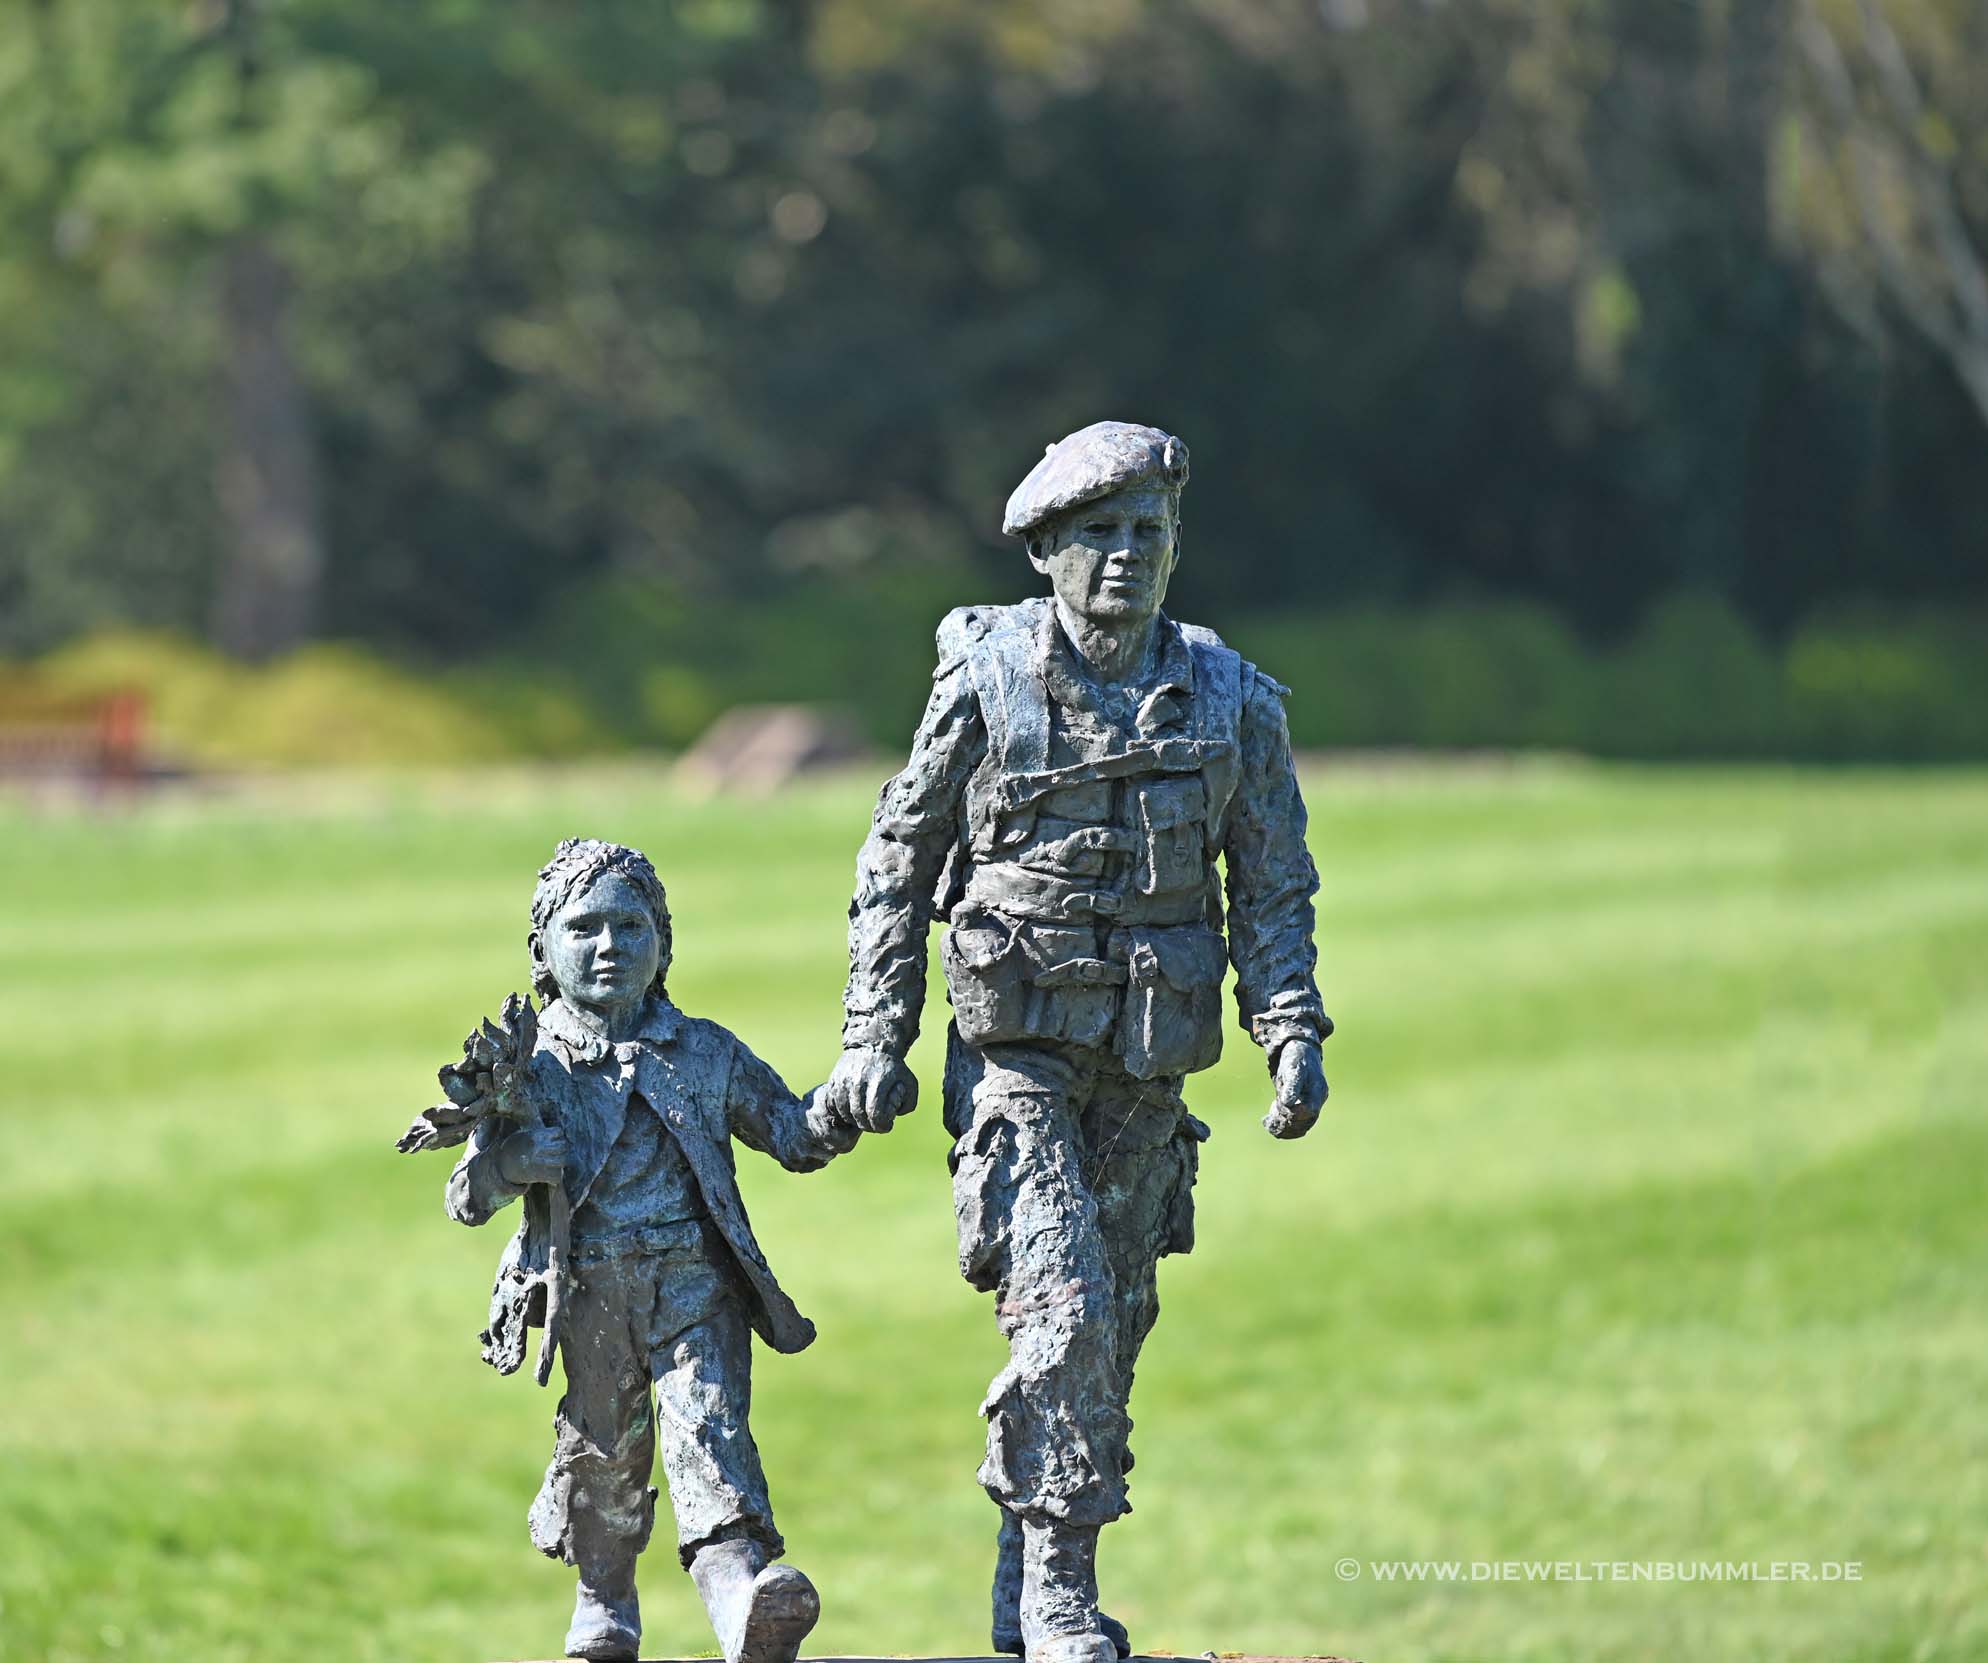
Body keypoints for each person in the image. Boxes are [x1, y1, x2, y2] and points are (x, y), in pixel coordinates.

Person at [821, 422, 1333, 1663]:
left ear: (1174, 549)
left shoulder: (1232, 700)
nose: (1122, 557)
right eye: (1096, 534)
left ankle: (1021, 1577)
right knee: (1063, 1312)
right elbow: (899, 858)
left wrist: (1290, 1027)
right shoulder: (984, 683)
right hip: (1017, 1061)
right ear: (1046, 548)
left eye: (1145, 534)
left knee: (1115, 1330)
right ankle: (1056, 1596)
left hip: (1148, 1064)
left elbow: (1269, 884)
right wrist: (872, 1035)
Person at [439, 838, 861, 1663]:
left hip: (695, 1286)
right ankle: (605, 1600)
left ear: (664, 943)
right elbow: (464, 1195)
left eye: (632, 927)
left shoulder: (704, 1051)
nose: (609, 946)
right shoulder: (532, 1067)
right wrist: (509, 1163)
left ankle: (742, 1596)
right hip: (588, 1291)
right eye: (585, 927)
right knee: (605, 1453)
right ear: (543, 951)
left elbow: (788, 1130)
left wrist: (845, 1101)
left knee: (710, 1432)